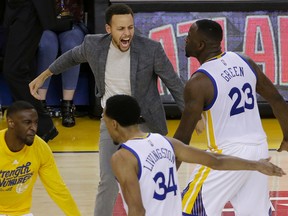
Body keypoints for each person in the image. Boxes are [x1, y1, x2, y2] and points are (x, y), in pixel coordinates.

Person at [29, 3, 198, 215]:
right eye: (121, 29)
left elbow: (174, 83)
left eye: (130, 27)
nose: (127, 33)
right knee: (107, 181)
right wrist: (44, 75)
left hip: (145, 122)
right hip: (112, 123)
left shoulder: (150, 49)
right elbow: (71, 57)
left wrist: (194, 118)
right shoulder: (93, 45)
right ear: (109, 29)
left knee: (151, 181)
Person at [173, 19, 288, 215]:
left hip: (226, 155)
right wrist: (287, 136)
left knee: (187, 209)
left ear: (200, 45)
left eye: (189, 37)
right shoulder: (244, 60)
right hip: (259, 149)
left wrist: (168, 173)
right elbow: (277, 99)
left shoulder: (198, 82)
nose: (185, 40)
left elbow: (183, 137)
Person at [103, 94, 285, 216]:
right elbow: (216, 161)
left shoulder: (122, 158)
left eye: (104, 118)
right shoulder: (167, 142)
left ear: (113, 124)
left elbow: (137, 209)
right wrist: (256, 165)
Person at [0, 100, 81, 215]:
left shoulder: (40, 148)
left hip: (21, 213)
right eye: (27, 122)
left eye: (36, 123)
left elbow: (58, 189)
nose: (33, 128)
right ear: (11, 123)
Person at [2, 0, 58, 142]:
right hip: (12, 8)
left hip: (30, 7)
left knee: (14, 69)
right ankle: (28, 125)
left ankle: (44, 125)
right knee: (23, 67)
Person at [36, 0, 88, 127]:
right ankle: (40, 104)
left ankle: (68, 104)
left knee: (72, 46)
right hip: (43, 23)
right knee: (47, 45)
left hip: (72, 22)